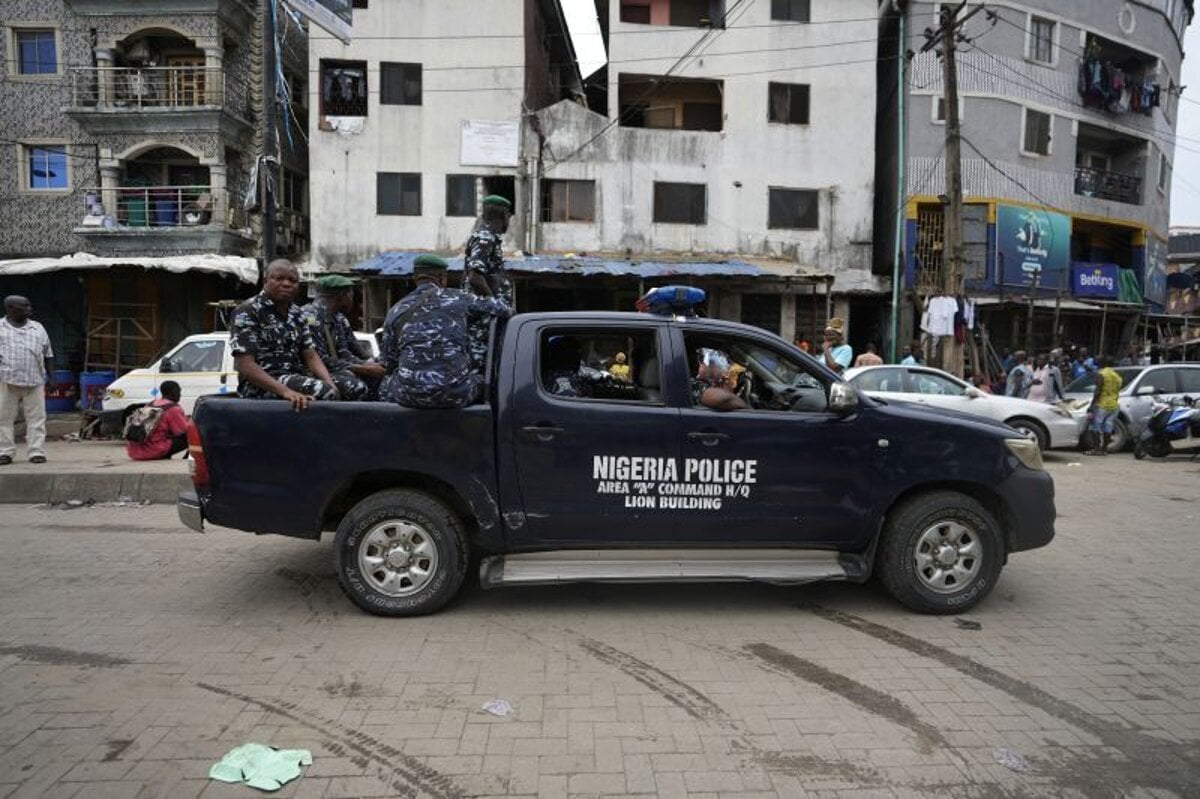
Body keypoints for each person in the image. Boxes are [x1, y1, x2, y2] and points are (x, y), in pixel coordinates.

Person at [379, 254, 511, 409]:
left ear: (415, 278)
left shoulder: (395, 310)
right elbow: (504, 309)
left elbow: (388, 362)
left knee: (384, 385)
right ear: (442, 278)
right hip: (455, 395)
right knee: (482, 379)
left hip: (409, 396)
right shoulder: (459, 299)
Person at [230, 259, 339, 411]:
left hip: (294, 377)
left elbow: (310, 355)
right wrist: (287, 392)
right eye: (279, 278)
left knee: (354, 386)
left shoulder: (297, 313)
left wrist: (331, 384)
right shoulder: (248, 311)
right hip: (262, 385)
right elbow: (244, 365)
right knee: (324, 391)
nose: (287, 284)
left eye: (292, 280)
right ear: (266, 281)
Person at [300, 274, 385, 401]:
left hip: (336, 370)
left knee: (381, 378)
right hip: (313, 373)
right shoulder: (308, 318)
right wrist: (363, 369)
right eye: (351, 294)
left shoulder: (339, 318)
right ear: (342, 295)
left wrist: (370, 363)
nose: (352, 299)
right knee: (356, 386)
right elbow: (320, 359)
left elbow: (345, 352)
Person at [463, 194, 514, 374]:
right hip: (483, 323)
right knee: (482, 368)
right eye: (509, 215)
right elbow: (475, 277)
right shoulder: (486, 238)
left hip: (487, 320)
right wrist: (496, 305)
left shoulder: (490, 238)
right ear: (504, 215)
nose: (509, 220)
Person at [0, 295, 54, 465]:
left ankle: (36, 452)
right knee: (4, 418)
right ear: (10, 309)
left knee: (37, 418)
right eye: (24, 306)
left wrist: (52, 377)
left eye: (29, 305)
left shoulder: (38, 328)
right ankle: (5, 452)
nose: (29, 309)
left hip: (35, 380)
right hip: (6, 380)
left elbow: (48, 354)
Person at [125, 380, 189, 461]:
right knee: (190, 437)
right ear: (174, 392)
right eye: (179, 392)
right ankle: (186, 458)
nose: (180, 395)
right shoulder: (173, 408)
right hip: (153, 450)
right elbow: (183, 431)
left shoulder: (150, 404)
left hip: (134, 451)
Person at [1086, 357, 1124, 455]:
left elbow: (1098, 391)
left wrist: (1091, 405)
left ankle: (1096, 449)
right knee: (1108, 427)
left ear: (1101, 364)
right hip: (1114, 405)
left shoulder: (1101, 374)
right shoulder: (1117, 376)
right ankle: (1104, 449)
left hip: (1102, 405)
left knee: (1095, 427)